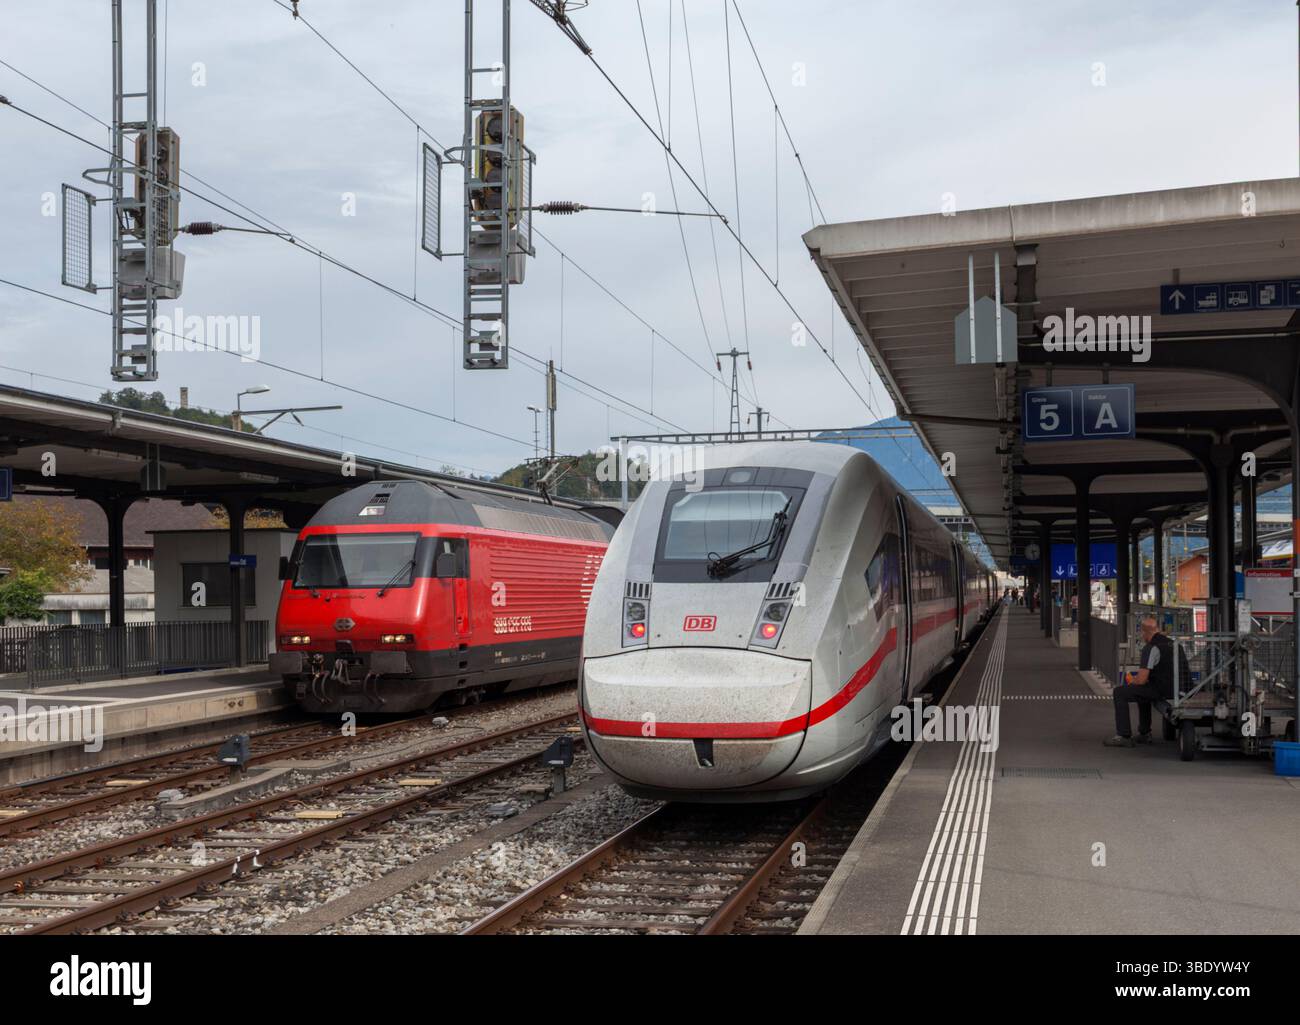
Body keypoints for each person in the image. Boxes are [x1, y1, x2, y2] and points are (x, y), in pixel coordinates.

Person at [1104, 616, 1173, 747]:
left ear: (1145, 632)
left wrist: (1132, 681)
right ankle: (1144, 733)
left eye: (1141, 633)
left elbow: (1141, 680)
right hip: (1178, 688)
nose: (1141, 636)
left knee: (1119, 692)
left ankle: (1123, 735)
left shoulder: (1151, 647)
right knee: (1143, 692)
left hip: (1161, 689)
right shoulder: (1173, 643)